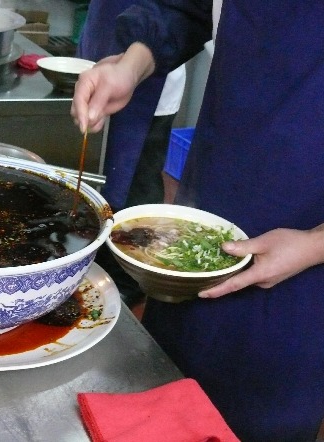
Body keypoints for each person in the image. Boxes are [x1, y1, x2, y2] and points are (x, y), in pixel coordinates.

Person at [70, 1, 324, 441]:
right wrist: (132, 64)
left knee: (252, 413)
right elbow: (190, 7)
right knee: (165, 388)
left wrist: (316, 244)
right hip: (216, 191)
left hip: (305, 237)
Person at [76, 0, 186, 309]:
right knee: (97, 171)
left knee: (137, 181)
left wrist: (135, 63)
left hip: (154, 74)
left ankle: (128, 282)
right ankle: (92, 265)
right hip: (104, 52)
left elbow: (184, 13)